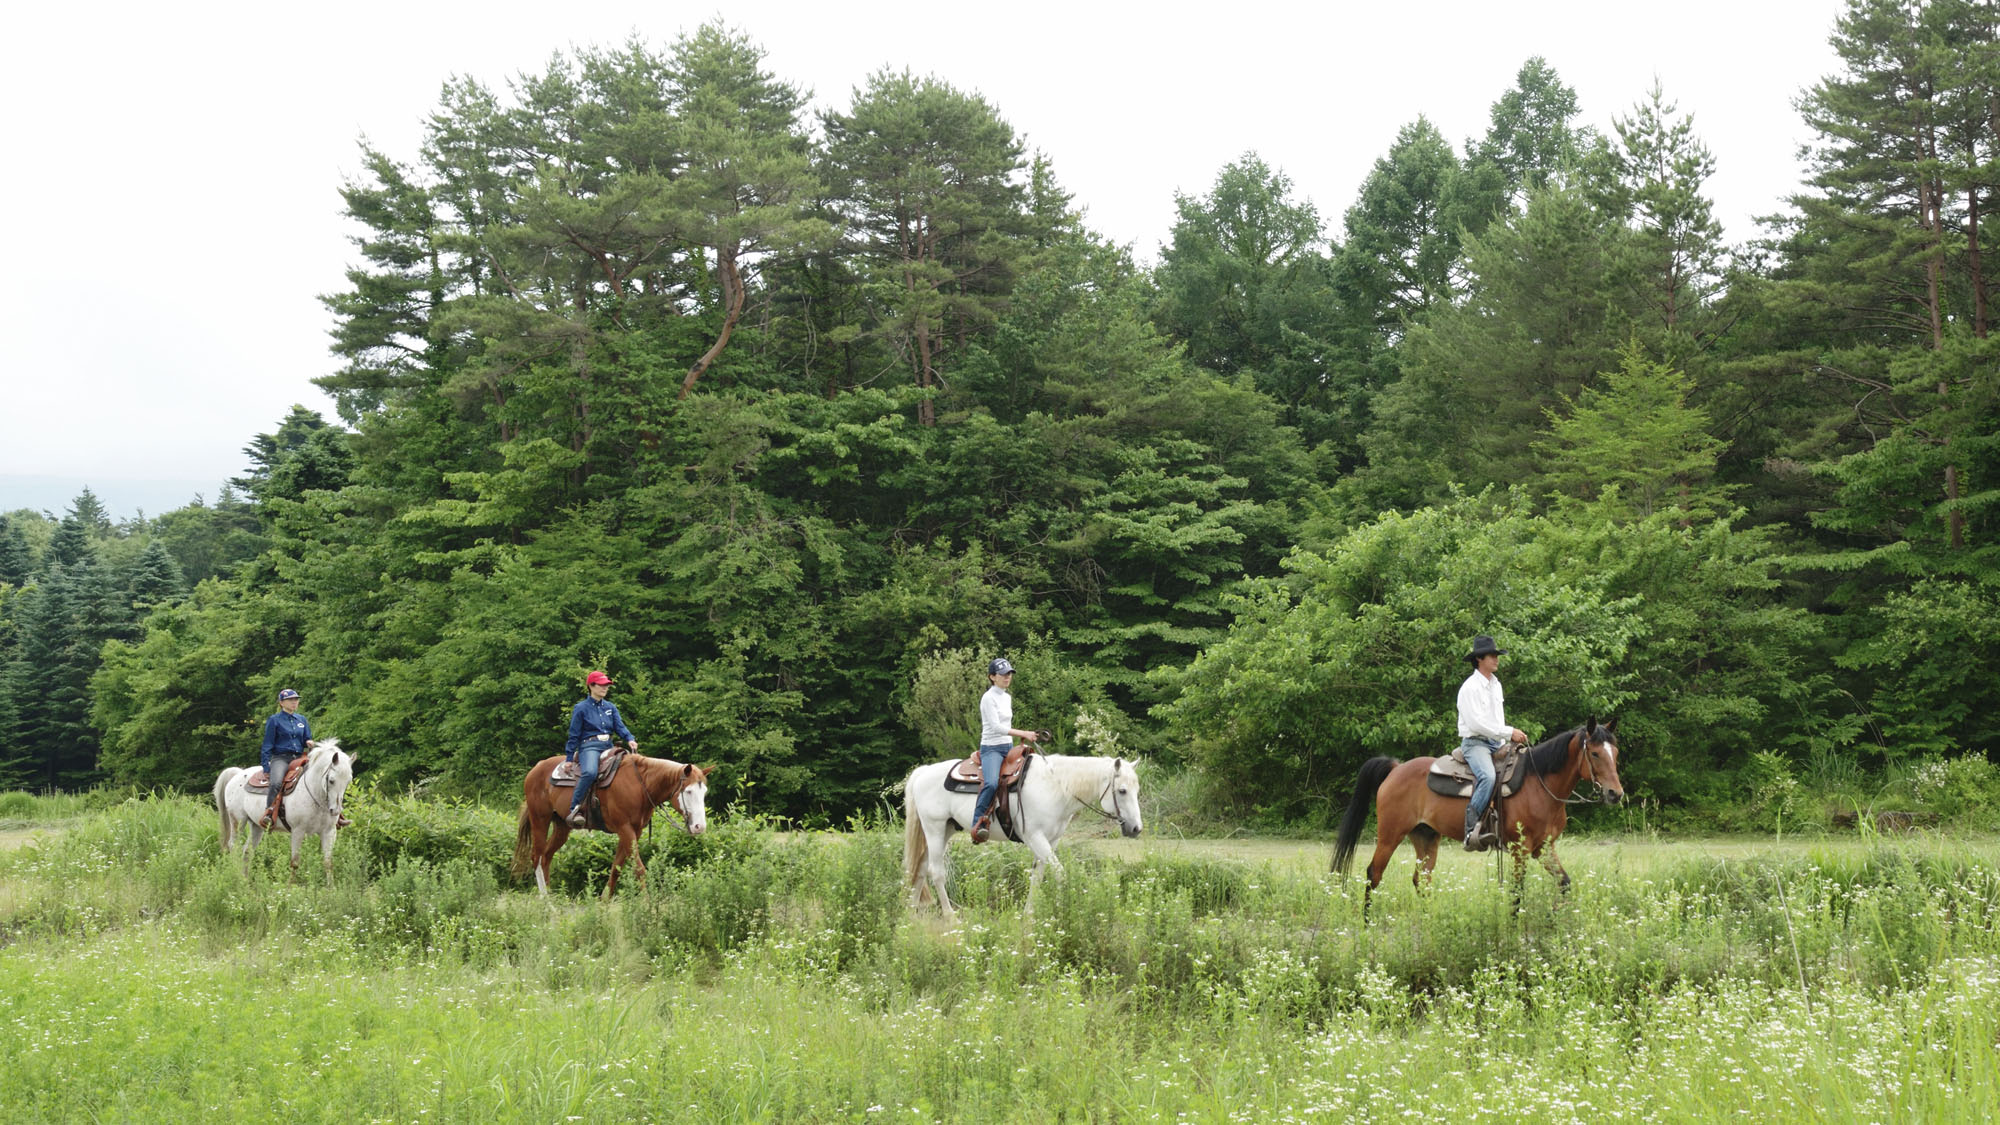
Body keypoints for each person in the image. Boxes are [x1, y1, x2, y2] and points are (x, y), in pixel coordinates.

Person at [1456, 635, 1526, 851]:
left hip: (1496, 742)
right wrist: (1508, 732)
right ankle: (1470, 830)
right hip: (1475, 743)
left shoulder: (1496, 685)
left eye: (1497, 655)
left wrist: (1507, 742)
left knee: (1522, 768)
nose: (1496, 659)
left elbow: (1497, 718)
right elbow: (1477, 724)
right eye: (1492, 656)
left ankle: (1503, 830)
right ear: (1479, 659)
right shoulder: (1470, 688)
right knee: (1487, 776)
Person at [971, 658, 1040, 844]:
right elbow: (995, 727)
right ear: (992, 677)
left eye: (1009, 674)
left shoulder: (1006, 697)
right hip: (991, 748)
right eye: (1003, 674)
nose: (1007, 677)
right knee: (992, 783)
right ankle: (978, 823)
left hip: (1008, 747)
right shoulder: (988, 698)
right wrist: (1023, 733)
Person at [259, 688, 348, 828]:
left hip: (300, 757)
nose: (294, 702)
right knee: (276, 782)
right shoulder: (274, 720)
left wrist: (309, 742)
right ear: (282, 703)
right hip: (281, 758)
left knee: (322, 777)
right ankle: (269, 812)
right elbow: (267, 744)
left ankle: (337, 815)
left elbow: (307, 737)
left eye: (296, 700)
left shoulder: (301, 719)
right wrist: (265, 765)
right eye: (290, 700)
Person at [565, 670, 639, 829]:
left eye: (607, 685)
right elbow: (574, 735)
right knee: (590, 772)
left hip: (609, 746)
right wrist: (569, 758)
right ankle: (575, 809)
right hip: (589, 746)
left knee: (628, 771)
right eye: (602, 685)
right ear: (591, 686)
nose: (605, 688)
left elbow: (620, 727)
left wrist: (630, 739)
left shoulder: (610, 707)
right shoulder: (581, 708)